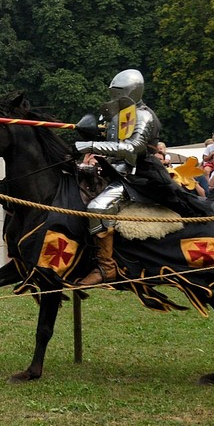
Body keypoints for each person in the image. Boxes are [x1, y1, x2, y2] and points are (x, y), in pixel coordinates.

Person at [73, 69, 167, 287]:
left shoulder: (143, 115)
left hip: (138, 176)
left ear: (132, 91)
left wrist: (92, 146)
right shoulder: (120, 115)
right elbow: (112, 147)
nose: (115, 96)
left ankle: (106, 267)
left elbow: (133, 147)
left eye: (119, 91)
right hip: (113, 170)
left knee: (98, 207)